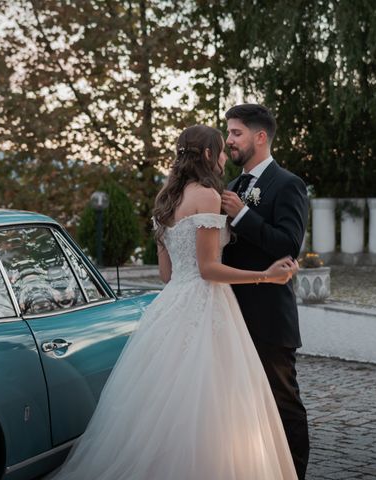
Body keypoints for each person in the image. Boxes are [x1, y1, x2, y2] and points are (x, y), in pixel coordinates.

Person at [46, 124, 299, 480]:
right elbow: (209, 269)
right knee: (212, 405)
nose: (226, 155)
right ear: (209, 155)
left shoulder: (166, 199)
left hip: (171, 304)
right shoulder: (208, 196)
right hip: (207, 304)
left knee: (162, 405)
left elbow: (167, 274)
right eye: (220, 150)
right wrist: (266, 276)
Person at [220, 104, 310, 479]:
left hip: (269, 317)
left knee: (283, 404)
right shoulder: (232, 186)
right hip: (229, 312)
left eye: (236, 133)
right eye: (228, 132)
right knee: (240, 406)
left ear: (260, 137)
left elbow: (288, 244)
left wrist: (242, 215)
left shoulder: (287, 184)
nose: (229, 140)